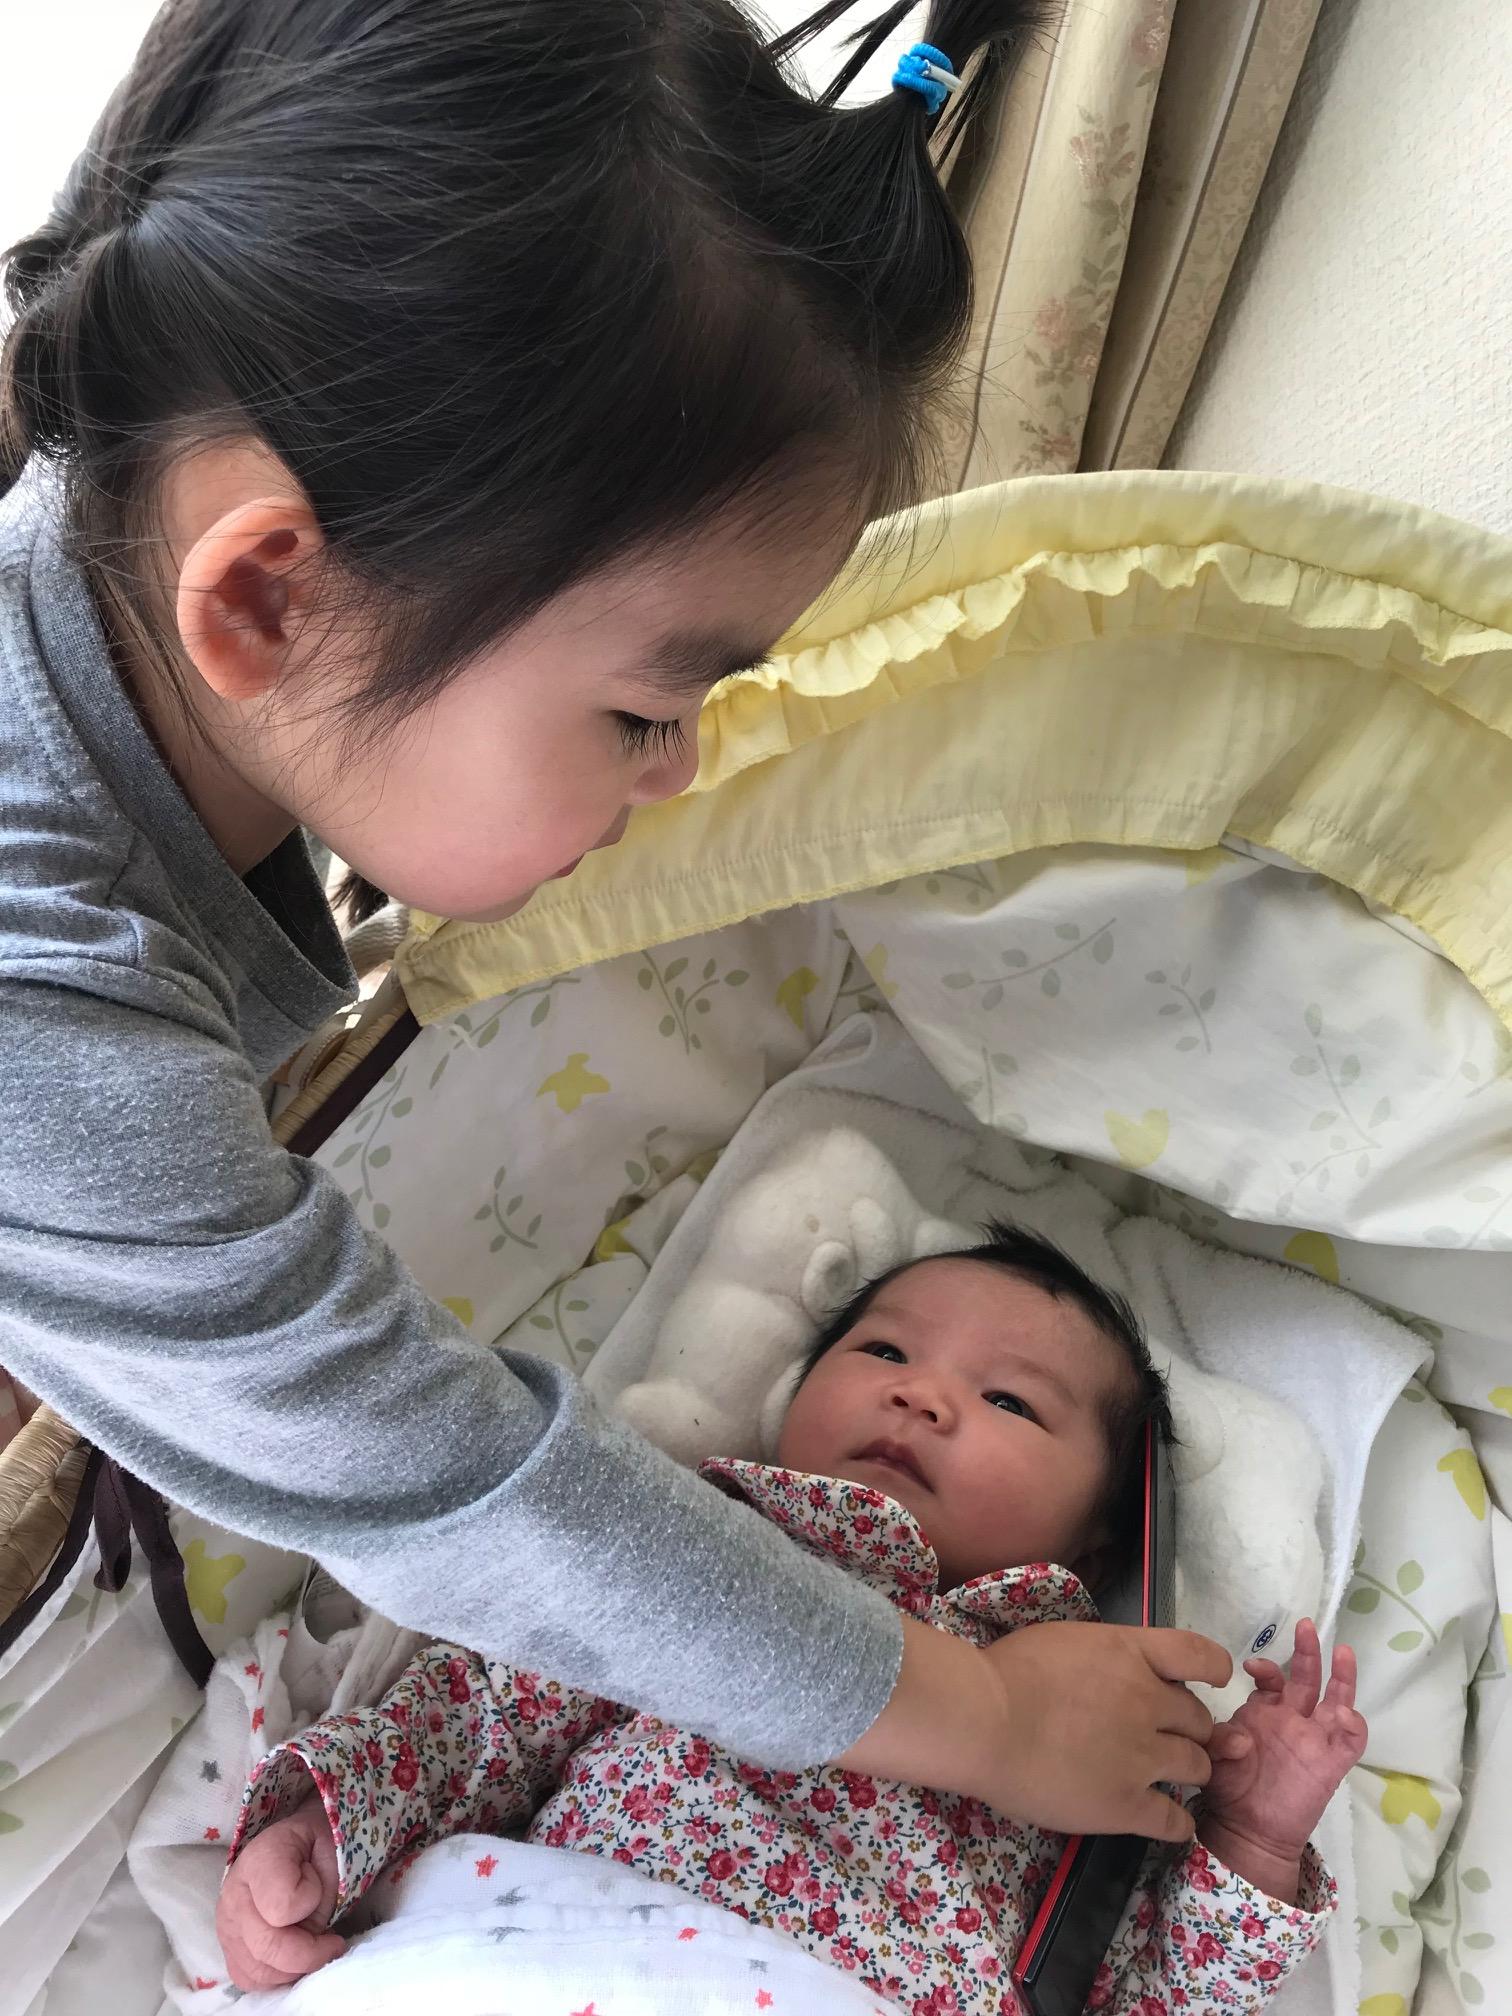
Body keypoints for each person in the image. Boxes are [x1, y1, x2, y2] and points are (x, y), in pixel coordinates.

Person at [0, 0, 1229, 1851]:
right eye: (649, 711)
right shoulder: (45, 1008)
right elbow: (458, 1488)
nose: (680, 775)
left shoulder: (111, 501)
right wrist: (978, 1711)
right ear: (269, 604)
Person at [217, 1228, 1367, 2009]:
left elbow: (1135, 1986)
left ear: (1098, 1544)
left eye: (1010, 1400)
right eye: (884, 1350)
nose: (923, 1393)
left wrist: (1252, 1843)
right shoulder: (705, 1546)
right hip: (557, 1943)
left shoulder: (1108, 1711)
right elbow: (487, 1712)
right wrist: (328, 1827)